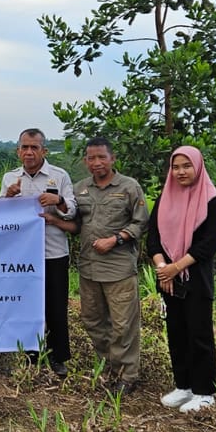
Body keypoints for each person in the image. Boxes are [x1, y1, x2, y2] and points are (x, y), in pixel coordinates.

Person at [45, 137, 148, 396]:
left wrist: (116, 239)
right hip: (89, 269)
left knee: (123, 325)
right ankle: (110, 367)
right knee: (93, 321)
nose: (97, 162)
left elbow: (141, 223)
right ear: (85, 161)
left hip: (119, 270)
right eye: (91, 158)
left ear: (112, 159)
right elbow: (76, 225)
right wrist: (53, 221)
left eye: (102, 157)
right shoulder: (80, 190)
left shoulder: (129, 187)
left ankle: (127, 375)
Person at [147, 146, 216, 413]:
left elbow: (208, 244)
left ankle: (205, 392)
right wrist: (162, 267)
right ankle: (184, 386)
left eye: (186, 166)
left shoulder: (211, 201)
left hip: (195, 278)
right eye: (176, 167)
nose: (180, 172)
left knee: (199, 334)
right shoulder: (165, 198)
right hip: (169, 279)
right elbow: (153, 238)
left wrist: (175, 267)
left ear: (198, 167)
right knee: (176, 333)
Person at [0, 128, 75, 377]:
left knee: (56, 306)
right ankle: (32, 356)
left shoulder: (59, 175)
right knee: (28, 307)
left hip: (52, 252)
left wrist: (58, 202)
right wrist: (9, 197)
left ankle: (58, 358)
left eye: (34, 147)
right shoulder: (10, 178)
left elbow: (72, 211)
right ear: (18, 151)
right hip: (22, 256)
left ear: (44, 150)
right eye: (24, 147)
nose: (29, 152)